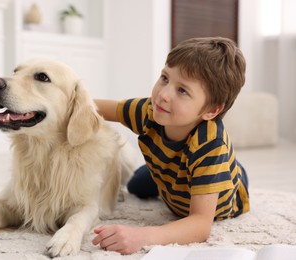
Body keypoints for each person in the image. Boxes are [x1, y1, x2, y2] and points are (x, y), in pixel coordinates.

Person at [91, 37, 250, 255]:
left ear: (212, 110)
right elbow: (93, 107)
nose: (163, 95)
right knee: (136, 185)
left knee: (210, 176)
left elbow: (200, 226)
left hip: (224, 187)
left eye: (182, 91)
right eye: (165, 78)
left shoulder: (210, 145)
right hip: (171, 173)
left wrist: (142, 236)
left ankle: (233, 169)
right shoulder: (150, 110)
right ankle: (169, 170)